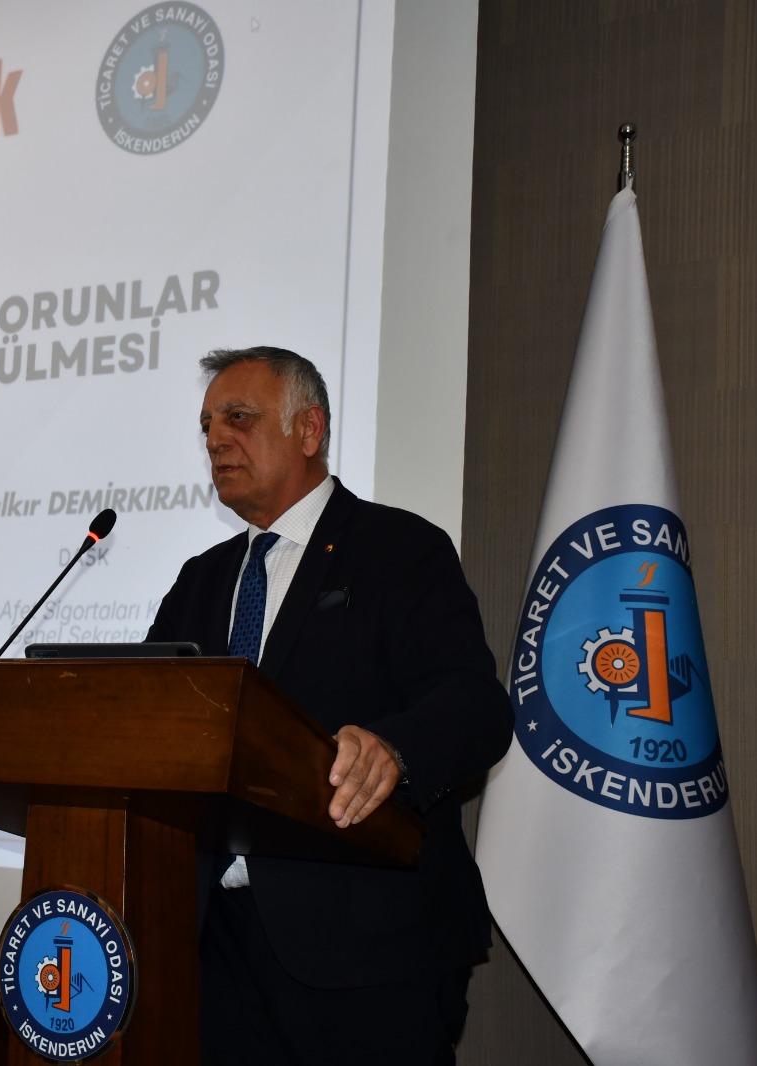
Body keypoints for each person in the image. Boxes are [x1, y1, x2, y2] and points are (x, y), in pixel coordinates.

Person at [146, 345, 512, 1064]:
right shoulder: (200, 580)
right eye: (207, 425)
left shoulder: (399, 549)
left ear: (308, 430)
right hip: (215, 946)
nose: (216, 439)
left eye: (238, 418)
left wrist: (395, 748)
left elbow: (475, 704)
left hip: (367, 949)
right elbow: (141, 721)